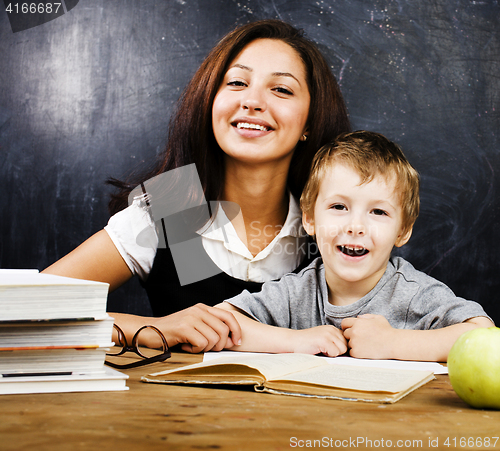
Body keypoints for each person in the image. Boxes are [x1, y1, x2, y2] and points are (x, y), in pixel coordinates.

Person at [42, 19, 351, 353]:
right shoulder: (170, 208)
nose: (252, 101)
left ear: (310, 121)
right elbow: (25, 308)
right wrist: (152, 329)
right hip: (176, 406)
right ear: (210, 101)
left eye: (282, 89)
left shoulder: (339, 223)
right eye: (236, 82)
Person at [216, 131, 495, 362]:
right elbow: (221, 322)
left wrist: (393, 343)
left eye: (378, 212)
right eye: (339, 206)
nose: (356, 226)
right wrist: (296, 340)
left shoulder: (413, 294)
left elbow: (483, 332)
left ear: (403, 229)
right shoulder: (296, 292)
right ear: (310, 218)